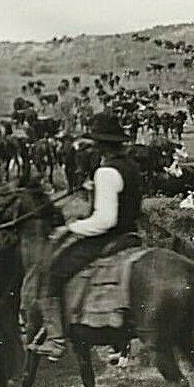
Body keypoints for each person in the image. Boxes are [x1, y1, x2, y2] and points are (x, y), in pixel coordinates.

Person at [28, 111, 142, 361]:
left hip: (108, 237)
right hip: (131, 234)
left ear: (100, 145)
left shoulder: (106, 172)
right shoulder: (130, 166)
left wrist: (70, 227)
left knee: (53, 269)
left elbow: (105, 220)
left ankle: (56, 339)